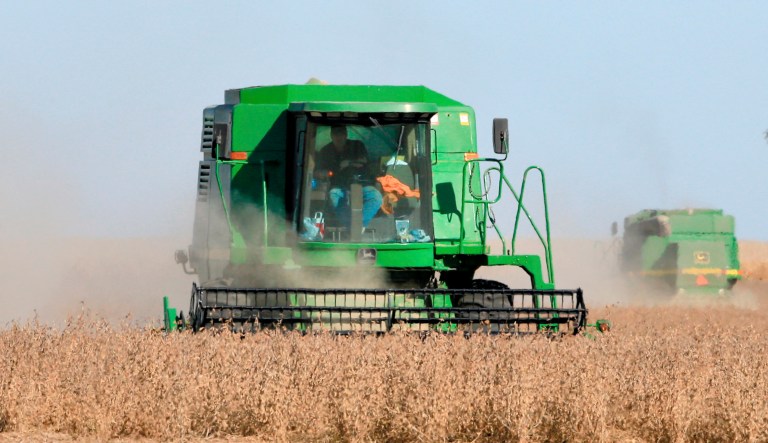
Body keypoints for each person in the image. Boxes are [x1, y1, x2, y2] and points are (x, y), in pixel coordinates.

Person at [314, 125, 382, 228]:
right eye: (336, 134)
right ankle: (350, 227)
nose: (339, 137)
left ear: (346, 134)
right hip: (339, 186)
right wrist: (327, 172)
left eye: (341, 134)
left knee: (376, 197)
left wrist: (347, 163)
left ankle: (358, 226)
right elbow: (318, 171)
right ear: (331, 135)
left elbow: (363, 161)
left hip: (362, 183)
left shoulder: (357, 145)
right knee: (333, 196)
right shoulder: (325, 151)